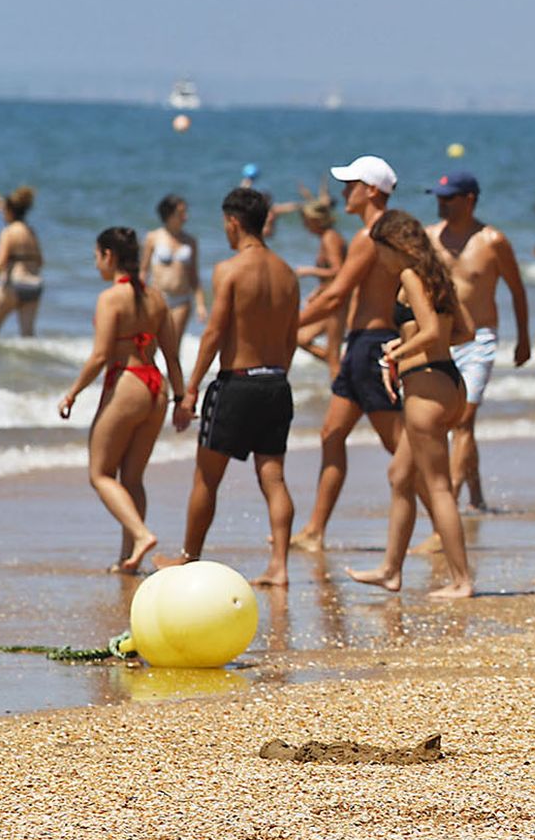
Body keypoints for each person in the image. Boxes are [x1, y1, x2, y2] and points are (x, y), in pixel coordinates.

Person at [156, 188, 300, 586]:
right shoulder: (288, 272)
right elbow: (291, 337)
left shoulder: (230, 270)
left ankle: (189, 557)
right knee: (273, 478)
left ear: (234, 222)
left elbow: (214, 333)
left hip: (236, 385)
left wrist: (190, 390)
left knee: (206, 478)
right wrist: (275, 377)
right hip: (276, 383)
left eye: (225, 224)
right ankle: (280, 566)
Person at [345, 210, 474, 599]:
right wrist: (416, 347)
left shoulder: (409, 276)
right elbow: (464, 331)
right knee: (400, 477)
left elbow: (432, 331)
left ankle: (461, 580)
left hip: (425, 390)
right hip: (449, 383)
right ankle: (390, 570)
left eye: (381, 251)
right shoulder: (437, 276)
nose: (380, 260)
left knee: (437, 487)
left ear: (394, 247)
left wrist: (398, 352)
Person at [56, 227, 188, 574]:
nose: (96, 262)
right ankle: (128, 558)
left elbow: (100, 356)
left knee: (100, 474)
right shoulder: (156, 298)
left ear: (109, 256)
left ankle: (141, 535)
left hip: (127, 384)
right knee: (132, 478)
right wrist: (180, 399)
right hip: (156, 388)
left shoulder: (110, 298)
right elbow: (173, 357)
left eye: (96, 255)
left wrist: (72, 393)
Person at [291, 155, 405, 551]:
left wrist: (288, 327)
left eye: (350, 185)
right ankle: (315, 531)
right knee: (331, 433)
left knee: (401, 448)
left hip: (372, 347)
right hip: (361, 345)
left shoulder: (369, 236)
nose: (343, 193)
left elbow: (337, 294)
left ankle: (443, 526)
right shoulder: (392, 233)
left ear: (371, 190)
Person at [425, 171, 531, 512]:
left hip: (480, 340)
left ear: (469, 200)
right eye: (439, 198)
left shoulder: (492, 241)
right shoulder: (429, 238)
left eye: (448, 198)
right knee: (448, 422)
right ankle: (477, 496)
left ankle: (450, 506)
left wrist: (524, 339)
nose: (441, 204)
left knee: (464, 420)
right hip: (441, 337)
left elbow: (517, 290)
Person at [0, 187, 44, 342]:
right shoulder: (30, 231)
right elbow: (40, 261)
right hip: (34, 286)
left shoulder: (9, 232)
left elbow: (0, 261)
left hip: (14, 284)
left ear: (10, 211)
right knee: (28, 335)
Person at [293, 198, 348, 381]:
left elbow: (339, 271)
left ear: (316, 219)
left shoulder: (330, 238)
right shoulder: (329, 236)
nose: (304, 225)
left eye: (306, 221)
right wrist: (317, 291)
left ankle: (342, 387)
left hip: (336, 302)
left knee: (331, 355)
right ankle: (348, 370)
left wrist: (309, 271)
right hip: (330, 297)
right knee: (299, 338)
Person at [140, 194, 206, 340]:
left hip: (181, 300)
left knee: (173, 344)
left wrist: (200, 305)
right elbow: (143, 271)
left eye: (185, 212)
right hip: (157, 297)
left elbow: (194, 276)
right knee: (151, 343)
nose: (185, 217)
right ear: (169, 214)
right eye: (181, 213)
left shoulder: (190, 241)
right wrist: (137, 298)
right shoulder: (153, 237)